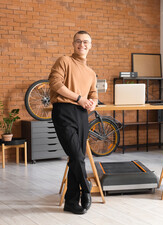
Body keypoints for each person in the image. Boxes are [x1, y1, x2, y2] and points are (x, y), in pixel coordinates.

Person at [48, 31, 98, 214]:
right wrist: (79, 99)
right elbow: (55, 84)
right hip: (64, 112)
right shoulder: (64, 61)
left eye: (86, 42)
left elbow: (93, 94)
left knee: (77, 157)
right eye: (78, 41)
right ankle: (86, 188)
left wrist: (93, 103)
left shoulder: (91, 73)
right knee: (77, 156)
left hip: (83, 114)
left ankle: (71, 201)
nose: (82, 45)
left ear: (90, 45)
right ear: (73, 44)